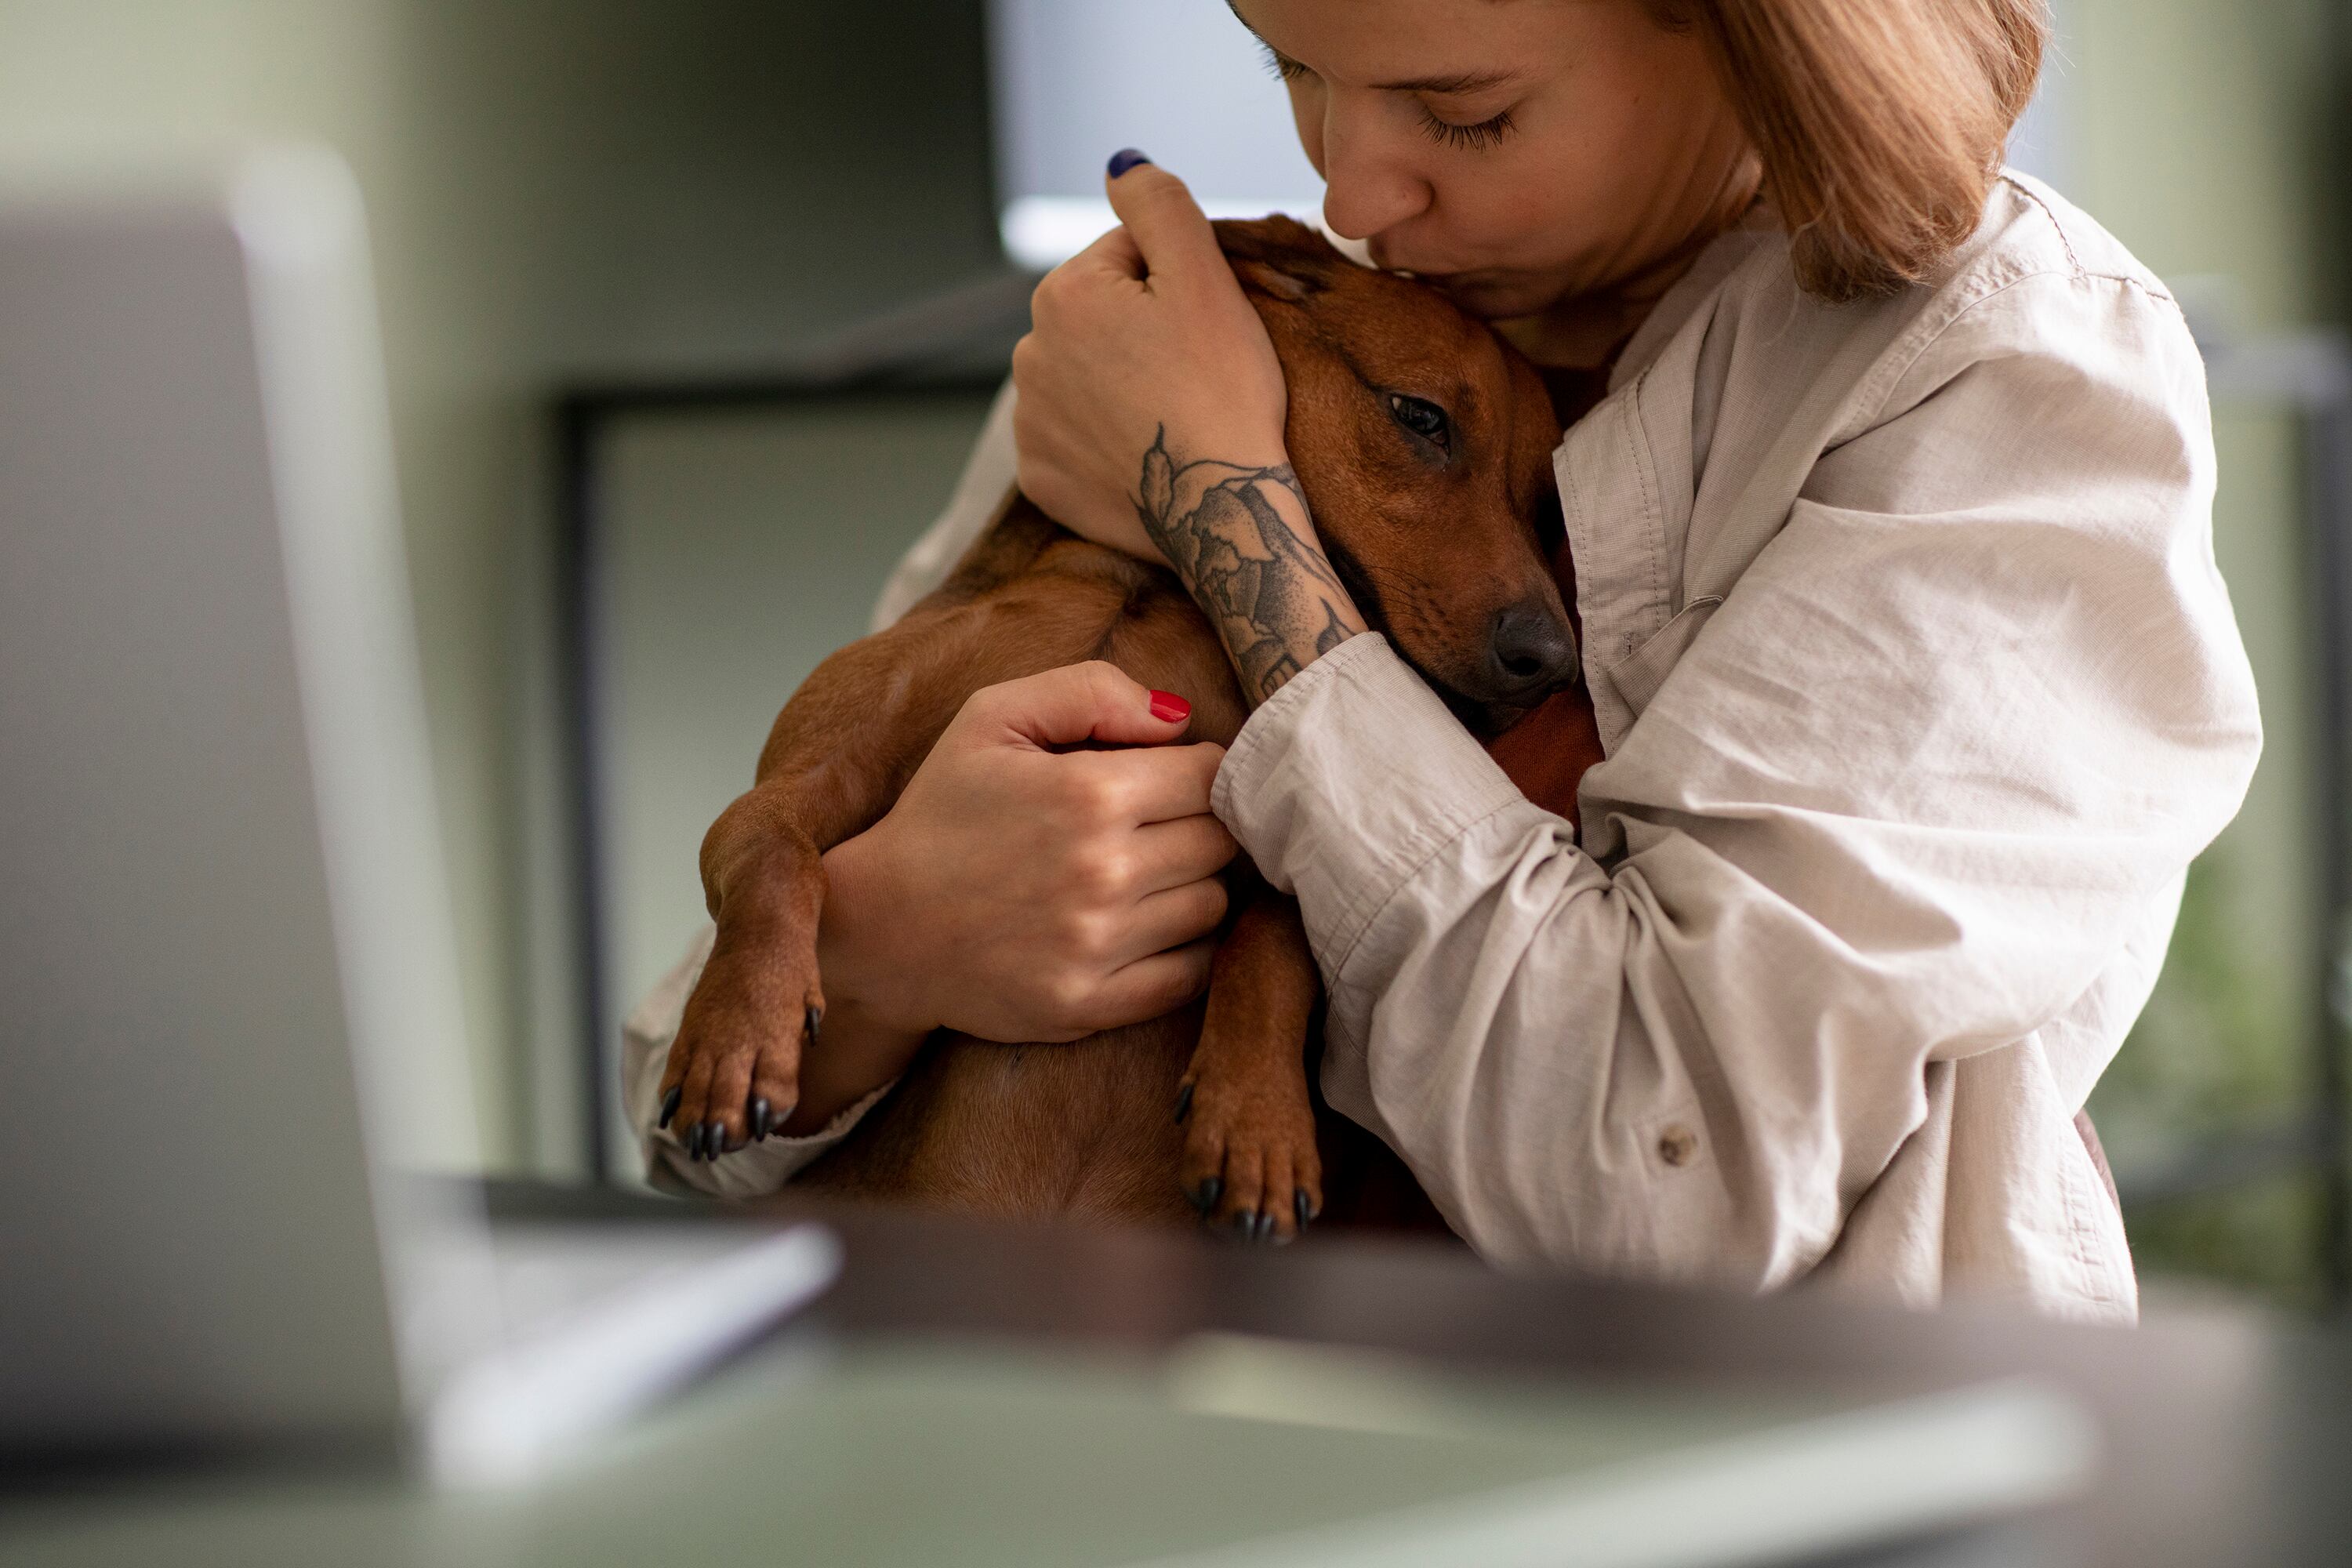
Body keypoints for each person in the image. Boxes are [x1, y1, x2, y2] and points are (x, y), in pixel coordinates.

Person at [623, 0, 2259, 1323]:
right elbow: (679, 1110)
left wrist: (1225, 507)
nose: (1355, 193)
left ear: (1747, 26)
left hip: (1735, 1472)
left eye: (1467, 113)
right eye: (1293, 70)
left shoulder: (1994, 378)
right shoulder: (1226, 319)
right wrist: (892, 953)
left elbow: (1667, 1194)